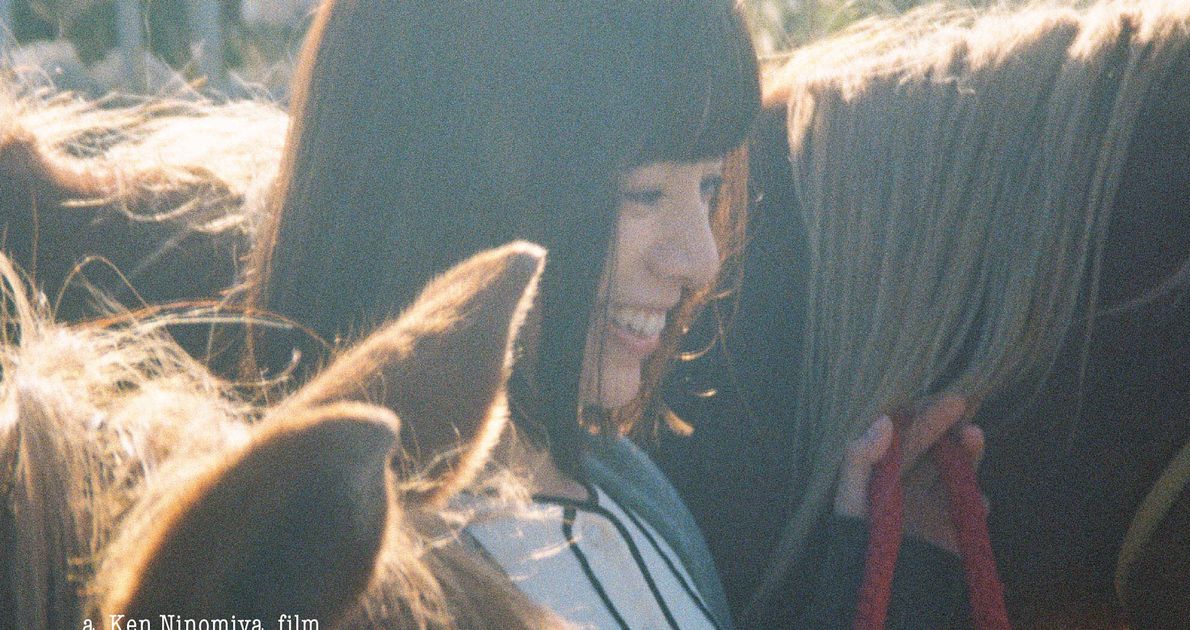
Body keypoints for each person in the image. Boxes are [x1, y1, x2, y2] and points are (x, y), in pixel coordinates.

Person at [242, 1, 983, 627]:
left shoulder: (627, 484)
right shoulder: (350, 587)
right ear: (453, 191)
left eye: (709, 186)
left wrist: (882, 559)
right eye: (645, 194)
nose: (701, 261)